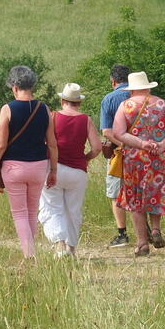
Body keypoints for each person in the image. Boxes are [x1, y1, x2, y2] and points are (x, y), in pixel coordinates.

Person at [0, 66, 58, 258]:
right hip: (39, 166)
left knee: (19, 214)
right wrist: (54, 171)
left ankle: (29, 255)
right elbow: (52, 144)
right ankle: (30, 251)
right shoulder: (44, 108)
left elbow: (0, 144)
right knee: (32, 212)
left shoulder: (7, 109)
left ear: (15, 86)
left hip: (14, 167)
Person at [111, 71, 165, 256]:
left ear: (132, 89)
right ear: (147, 86)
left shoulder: (126, 106)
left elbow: (118, 132)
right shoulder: (162, 104)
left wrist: (141, 143)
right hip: (160, 158)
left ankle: (142, 243)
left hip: (135, 159)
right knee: (156, 194)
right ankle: (155, 229)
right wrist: (163, 145)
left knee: (137, 200)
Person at [39, 83, 103, 257]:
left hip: (54, 167)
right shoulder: (86, 120)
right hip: (77, 172)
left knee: (52, 207)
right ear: (79, 103)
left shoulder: (53, 117)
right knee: (73, 211)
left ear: (62, 101)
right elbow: (97, 147)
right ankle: (72, 249)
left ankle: (59, 243)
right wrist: (85, 158)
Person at [99, 65, 132, 247]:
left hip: (118, 154)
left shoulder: (109, 99)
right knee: (139, 191)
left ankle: (122, 234)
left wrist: (123, 144)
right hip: (142, 152)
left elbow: (106, 131)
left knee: (116, 193)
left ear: (113, 81)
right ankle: (148, 231)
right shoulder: (139, 97)